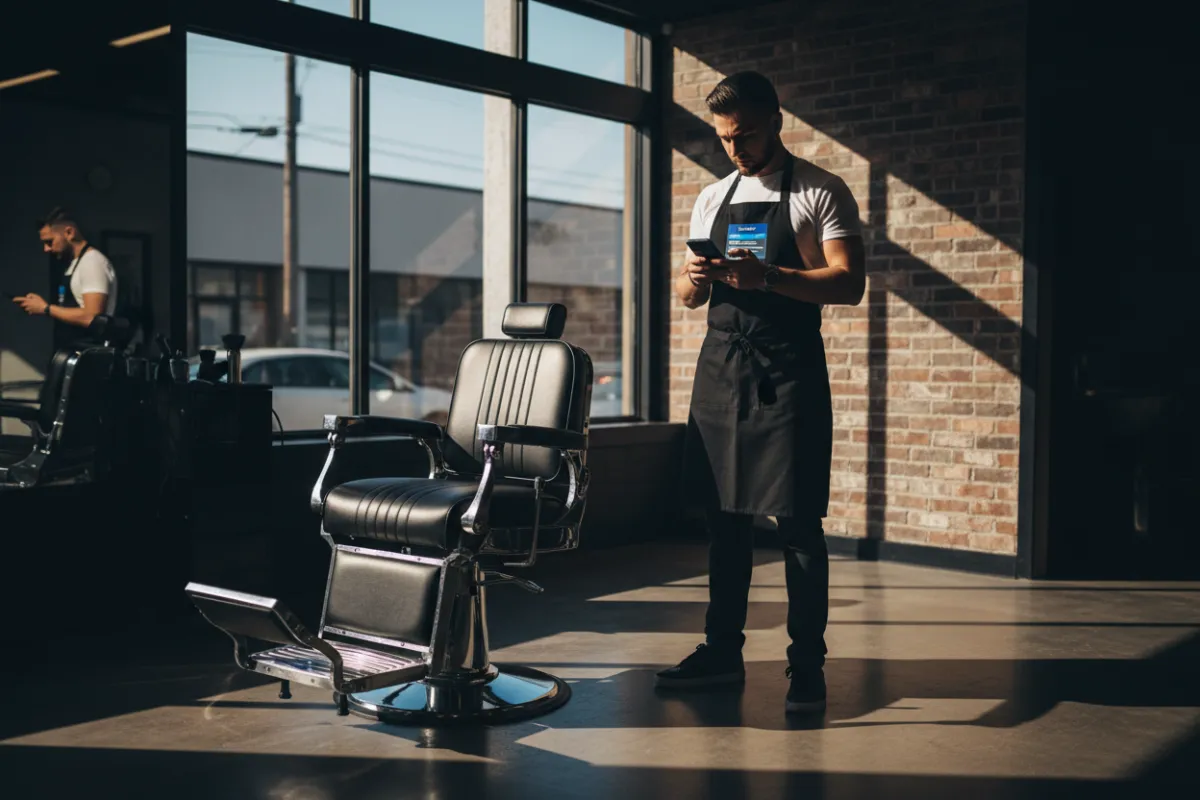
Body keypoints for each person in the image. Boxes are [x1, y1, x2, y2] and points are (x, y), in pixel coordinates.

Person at [656, 71, 865, 714]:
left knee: (799, 523)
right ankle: (722, 652)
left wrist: (767, 276)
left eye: (744, 134)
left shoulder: (822, 192)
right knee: (725, 522)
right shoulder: (713, 198)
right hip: (722, 368)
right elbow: (688, 298)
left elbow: (847, 283)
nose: (735, 148)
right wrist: (694, 274)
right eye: (724, 138)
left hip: (788, 369)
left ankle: (807, 667)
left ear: (776, 119)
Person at [13, 207, 118, 351]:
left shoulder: (92, 262)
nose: (46, 249)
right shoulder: (74, 264)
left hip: (90, 354)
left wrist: (46, 308)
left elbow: (92, 316)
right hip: (72, 351)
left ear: (69, 233)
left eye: (49, 242)